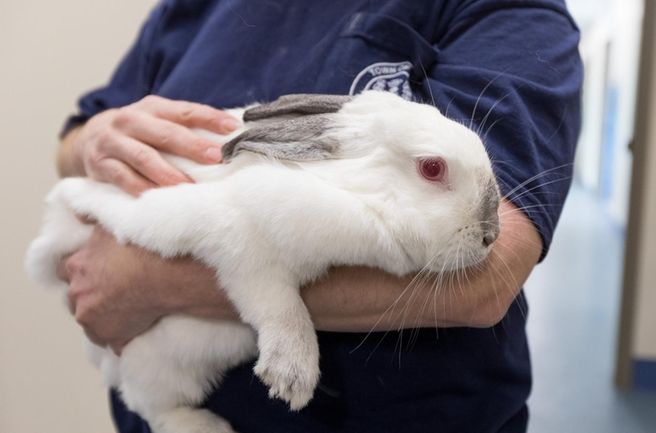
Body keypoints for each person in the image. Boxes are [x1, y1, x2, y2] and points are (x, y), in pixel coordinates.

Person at [57, 1, 582, 432]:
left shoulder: (508, 13)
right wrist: (93, 138)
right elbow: (77, 136)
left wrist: (144, 278)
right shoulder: (188, 9)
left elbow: (488, 273)